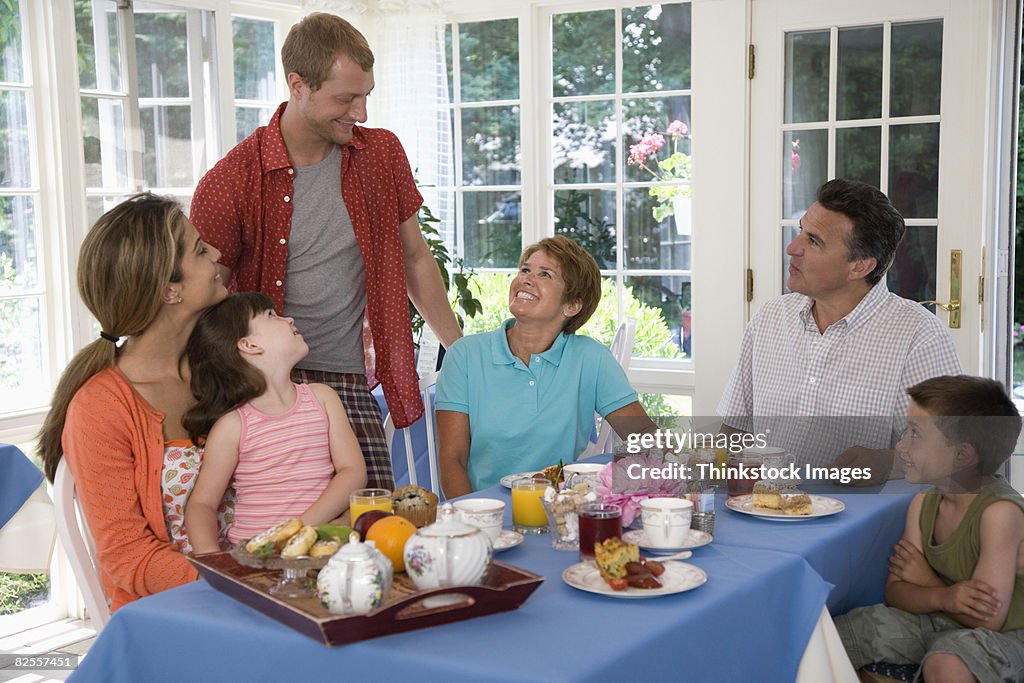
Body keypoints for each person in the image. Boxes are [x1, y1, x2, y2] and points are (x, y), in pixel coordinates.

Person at [189, 13, 462, 491]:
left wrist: (458, 350)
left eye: (365, 96)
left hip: (348, 375)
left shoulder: (381, 154)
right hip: (260, 385)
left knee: (374, 523)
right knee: (283, 533)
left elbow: (415, 258)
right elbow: (202, 297)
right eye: (345, 98)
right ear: (298, 85)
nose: (361, 113)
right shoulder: (230, 180)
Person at [37, 193, 228, 612]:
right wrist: (246, 581)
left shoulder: (223, 370)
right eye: (200, 250)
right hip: (171, 615)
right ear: (169, 291)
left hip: (263, 598)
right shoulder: (99, 408)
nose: (216, 252)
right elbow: (129, 560)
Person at [717, 178, 961, 482]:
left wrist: (887, 462)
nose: (792, 248)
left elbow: (949, 454)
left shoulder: (919, 338)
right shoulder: (769, 318)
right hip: (761, 511)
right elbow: (734, 428)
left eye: (814, 241)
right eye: (800, 231)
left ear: (859, 266)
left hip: (861, 523)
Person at [836, 375, 1024, 682]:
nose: (901, 446)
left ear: (962, 455)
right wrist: (943, 598)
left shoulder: (999, 513)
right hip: (934, 622)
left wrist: (931, 587)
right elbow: (895, 592)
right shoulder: (923, 503)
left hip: (1005, 637)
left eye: (915, 434)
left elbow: (987, 618)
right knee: (841, 634)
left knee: (946, 663)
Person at [436, 236, 657, 497]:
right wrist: (475, 522)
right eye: (525, 270)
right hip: (486, 512)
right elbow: (453, 461)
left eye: (545, 274)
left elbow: (643, 435)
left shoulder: (590, 358)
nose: (525, 279)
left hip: (562, 511)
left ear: (572, 305)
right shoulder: (464, 356)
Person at [183, 293, 367, 554]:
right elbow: (201, 504)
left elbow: (354, 472)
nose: (289, 318)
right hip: (257, 559)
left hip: (320, 547)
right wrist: (214, 562)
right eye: (271, 315)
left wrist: (301, 528)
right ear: (249, 345)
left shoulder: (323, 398)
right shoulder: (232, 425)